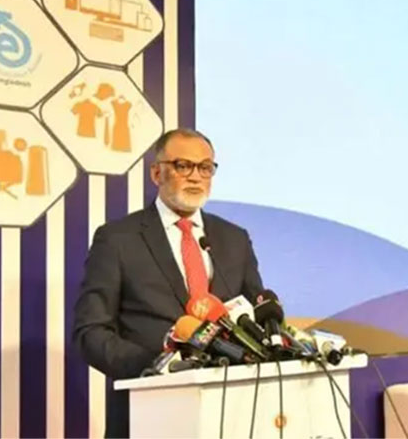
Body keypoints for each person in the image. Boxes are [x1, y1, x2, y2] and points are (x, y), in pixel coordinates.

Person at [73, 128, 265, 437]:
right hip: (147, 410)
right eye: (183, 166)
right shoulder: (118, 239)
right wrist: (158, 366)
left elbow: (255, 314)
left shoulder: (235, 239)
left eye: (205, 167)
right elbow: (90, 332)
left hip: (231, 413)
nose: (195, 177)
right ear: (156, 173)